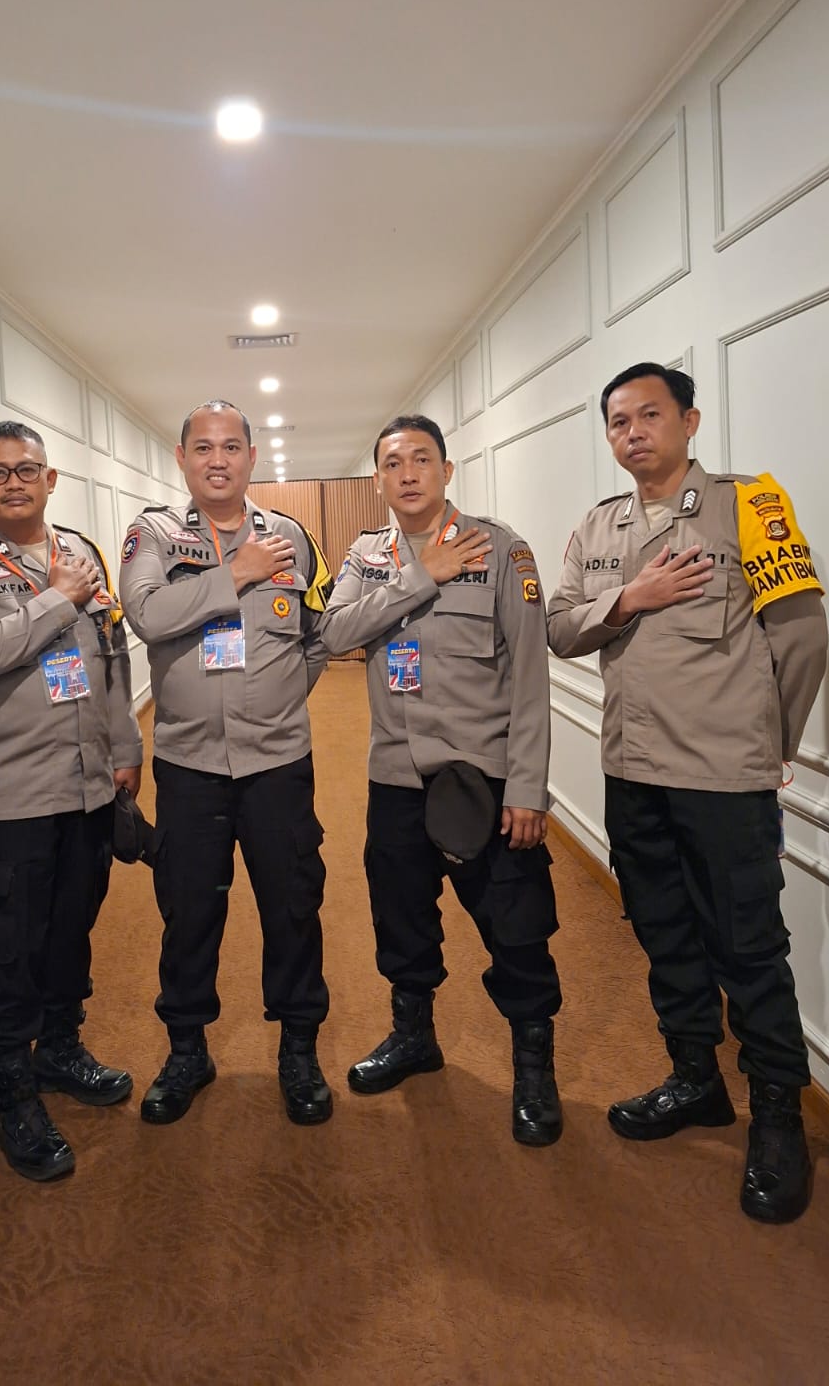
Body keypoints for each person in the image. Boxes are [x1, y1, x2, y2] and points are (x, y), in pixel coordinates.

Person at [547, 362, 828, 1223]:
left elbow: (803, 637)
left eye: (650, 415)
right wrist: (628, 598)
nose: (633, 432)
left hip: (722, 779)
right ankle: (695, 1078)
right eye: (618, 421)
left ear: (689, 420)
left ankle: (777, 1114)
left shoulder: (751, 506)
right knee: (664, 932)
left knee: (748, 946)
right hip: (633, 773)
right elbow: (560, 627)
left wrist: (768, 746)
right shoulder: (599, 525)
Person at [320, 414, 564, 1145]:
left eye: (421, 459)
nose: (408, 474)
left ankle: (534, 1067)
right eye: (393, 463)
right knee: (401, 915)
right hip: (396, 773)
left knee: (515, 924)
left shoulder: (501, 549)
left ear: (446, 470)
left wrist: (528, 788)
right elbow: (333, 634)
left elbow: (530, 677)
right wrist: (421, 576)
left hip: (483, 776)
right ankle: (414, 1036)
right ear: (378, 479)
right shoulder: (367, 556)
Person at [0, 421, 142, 1181]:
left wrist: (126, 749)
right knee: (4, 954)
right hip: (9, 800)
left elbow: (111, 655)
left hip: (85, 791)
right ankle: (14, 1096)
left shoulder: (81, 552)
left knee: (68, 935)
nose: (13, 483)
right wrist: (57, 597)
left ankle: (59, 1049)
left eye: (27, 470)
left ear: (50, 480)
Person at [119, 400, 335, 1126]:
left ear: (251, 458)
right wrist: (235, 573)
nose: (218, 460)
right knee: (189, 910)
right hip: (189, 763)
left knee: (293, 904)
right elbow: (146, 614)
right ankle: (187, 1050)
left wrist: (281, 696)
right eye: (204, 448)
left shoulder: (292, 537)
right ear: (182, 458)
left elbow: (318, 633)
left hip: (278, 762)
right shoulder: (153, 533)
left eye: (232, 447)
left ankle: (298, 1049)